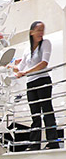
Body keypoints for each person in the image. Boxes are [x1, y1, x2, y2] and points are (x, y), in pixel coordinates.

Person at [12, 21, 59, 150]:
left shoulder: (46, 43)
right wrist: (5, 65)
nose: (41, 33)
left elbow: (44, 62)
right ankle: (35, 144)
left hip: (43, 80)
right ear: (31, 32)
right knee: (35, 114)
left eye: (42, 30)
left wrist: (25, 72)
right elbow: (19, 68)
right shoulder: (27, 49)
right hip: (30, 83)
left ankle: (53, 141)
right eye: (38, 30)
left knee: (47, 111)